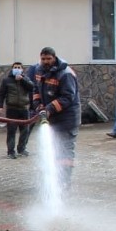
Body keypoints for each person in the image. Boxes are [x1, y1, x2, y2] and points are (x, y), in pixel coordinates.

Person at [32, 46, 81, 188]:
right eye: (43, 59)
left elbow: (67, 97)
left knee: (65, 152)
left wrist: (49, 108)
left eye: (48, 59)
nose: (45, 61)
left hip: (67, 119)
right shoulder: (39, 71)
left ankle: (65, 180)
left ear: (54, 58)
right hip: (52, 118)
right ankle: (54, 179)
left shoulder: (65, 74)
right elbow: (36, 90)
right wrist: (38, 105)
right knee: (53, 150)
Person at [0, 61, 34, 158]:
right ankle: (11, 152)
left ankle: (21, 149)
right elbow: (1, 94)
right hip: (12, 109)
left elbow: (31, 88)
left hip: (24, 109)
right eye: (15, 67)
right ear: (12, 69)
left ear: (22, 69)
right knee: (11, 131)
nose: (17, 69)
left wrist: (22, 80)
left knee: (25, 131)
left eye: (19, 67)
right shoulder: (6, 80)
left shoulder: (26, 79)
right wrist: (0, 106)